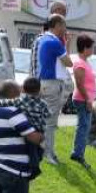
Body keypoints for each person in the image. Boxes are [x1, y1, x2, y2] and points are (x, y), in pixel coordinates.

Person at [37, 14, 73, 164]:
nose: (65, 29)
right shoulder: (55, 42)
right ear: (57, 25)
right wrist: (66, 44)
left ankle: (45, 150)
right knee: (50, 121)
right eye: (64, 25)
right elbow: (69, 62)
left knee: (44, 119)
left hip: (44, 83)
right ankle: (48, 153)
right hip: (52, 84)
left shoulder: (44, 39)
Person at [70, 35, 96, 169]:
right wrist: (87, 99)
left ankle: (78, 152)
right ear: (85, 48)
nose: (93, 50)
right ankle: (78, 154)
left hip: (86, 99)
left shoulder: (85, 62)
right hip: (82, 99)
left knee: (84, 127)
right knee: (84, 127)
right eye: (91, 47)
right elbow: (80, 84)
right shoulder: (80, 63)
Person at [28, 0, 67, 78]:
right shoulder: (51, 39)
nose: (65, 16)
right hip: (45, 80)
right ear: (56, 11)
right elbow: (67, 62)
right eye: (63, 12)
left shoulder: (55, 37)